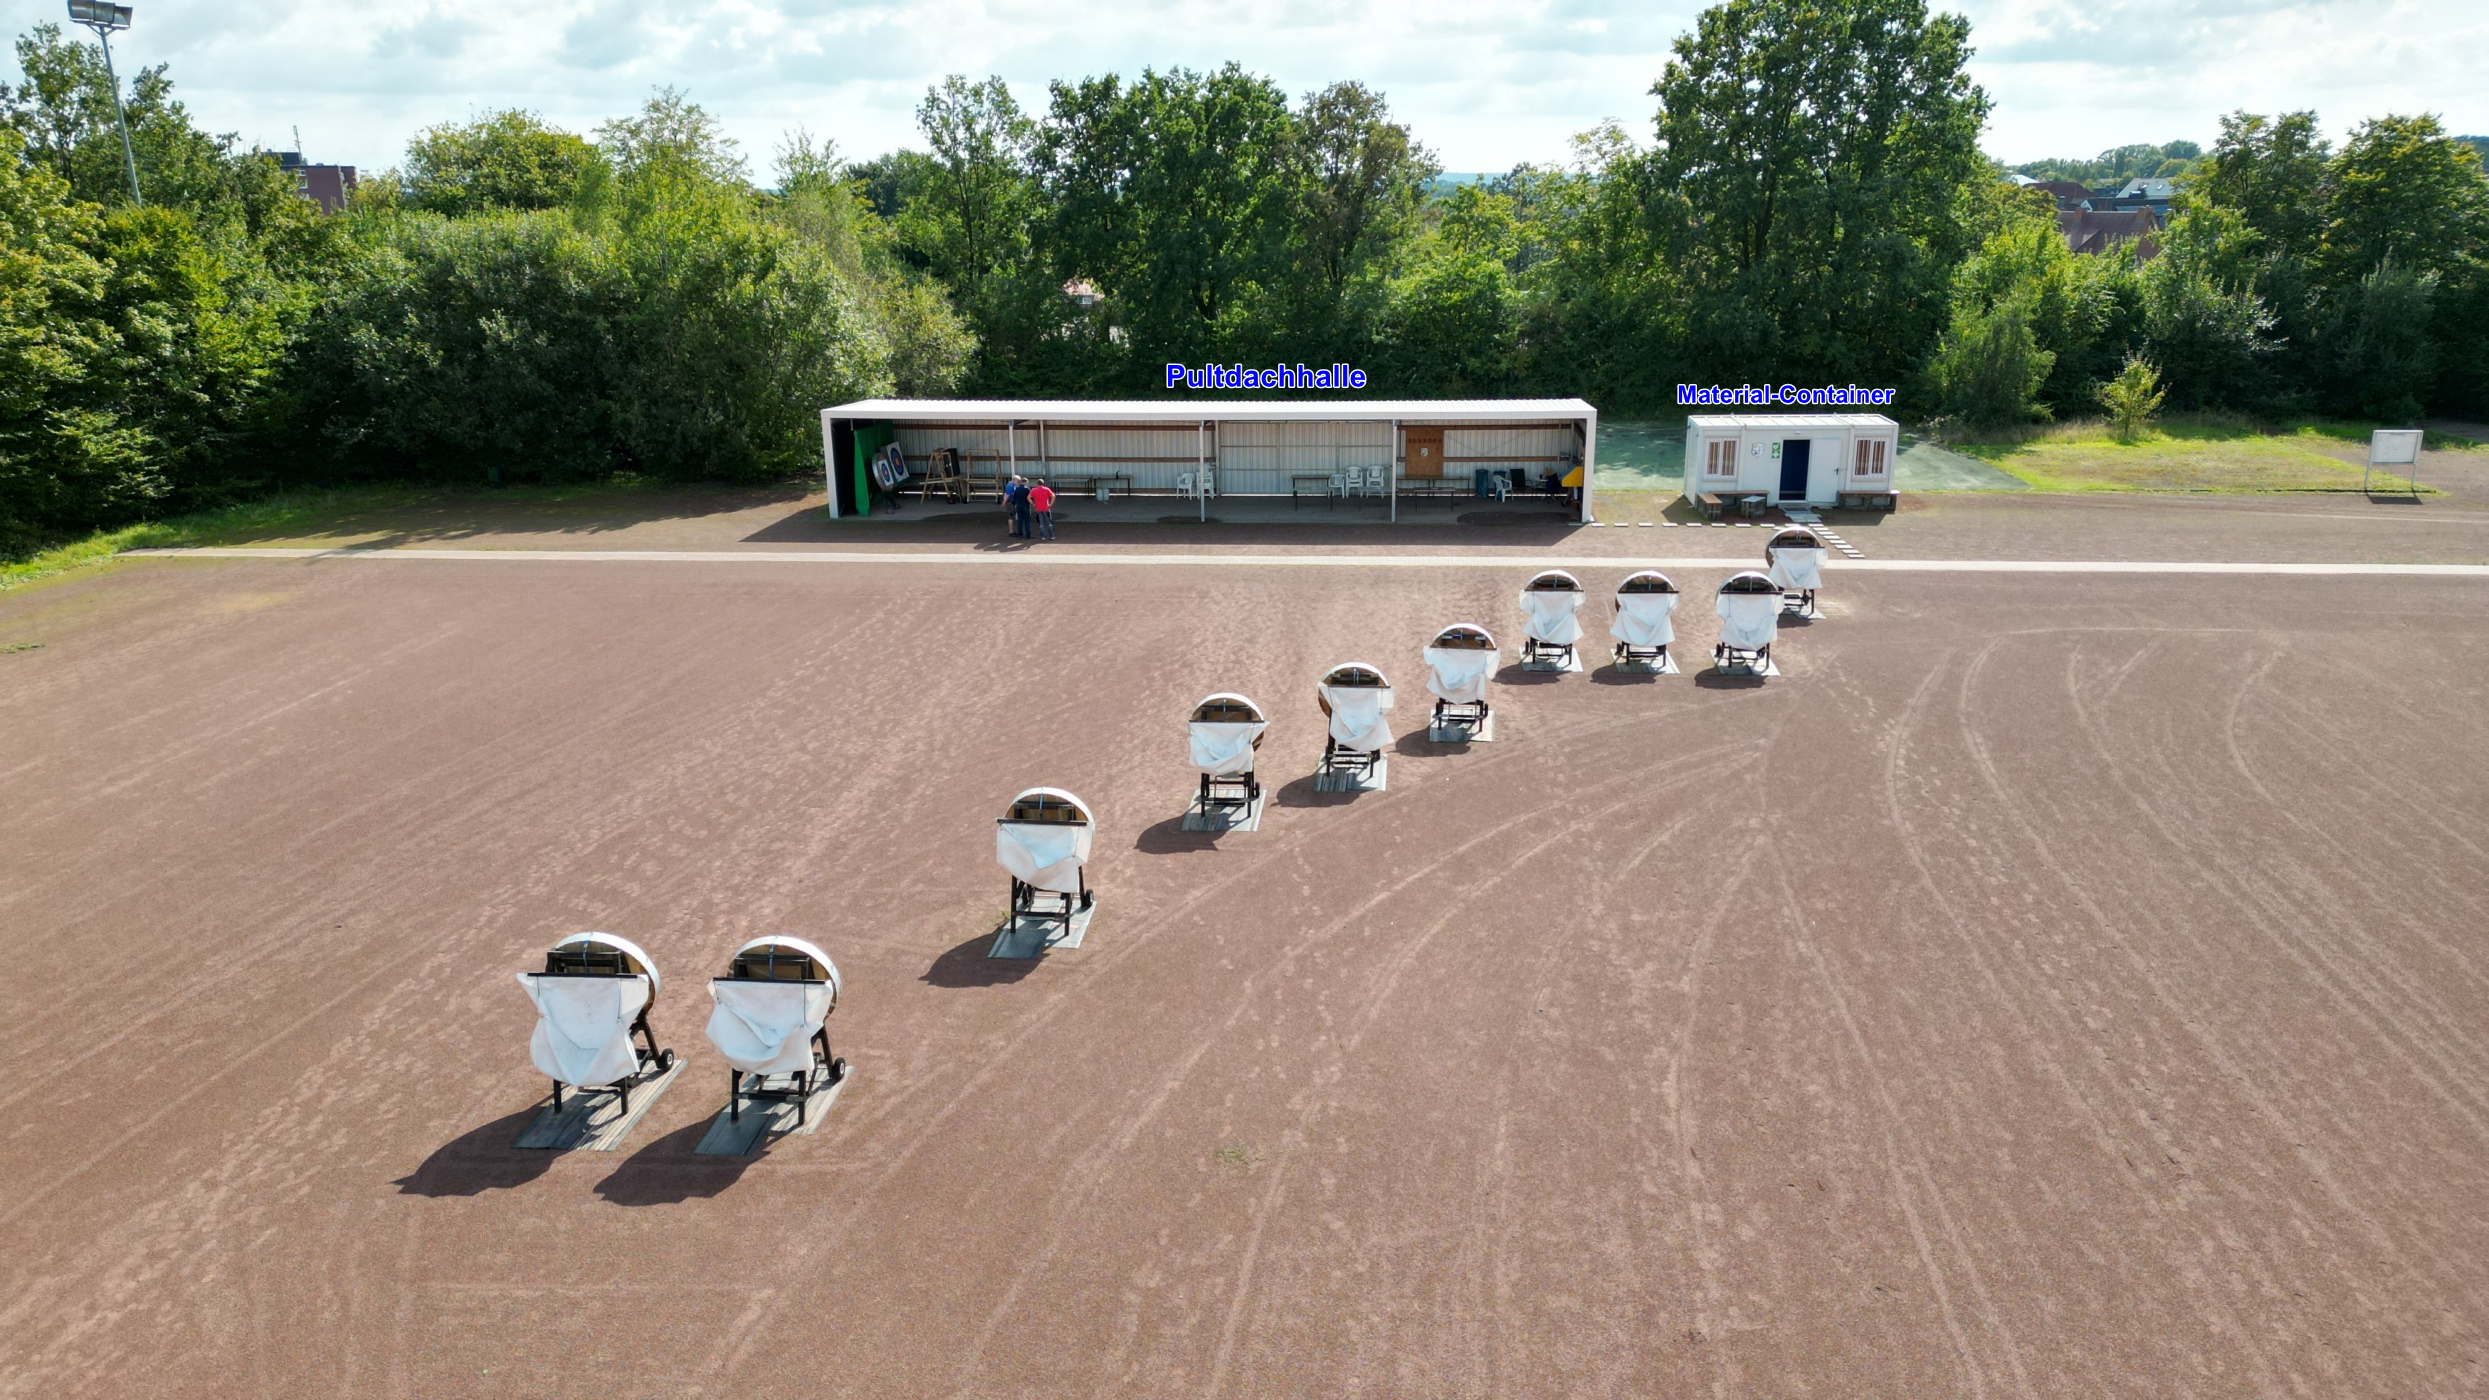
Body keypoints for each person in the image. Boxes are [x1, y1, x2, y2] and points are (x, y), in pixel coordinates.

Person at [1003, 474, 1028, 538]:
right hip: (1010, 503)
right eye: (1018, 481)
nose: (1019, 482)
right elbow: (1007, 495)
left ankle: (1011, 531)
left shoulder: (1011, 485)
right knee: (1011, 516)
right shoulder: (1010, 486)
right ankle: (1011, 531)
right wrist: (1004, 502)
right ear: (1015, 480)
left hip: (1011, 502)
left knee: (1012, 516)